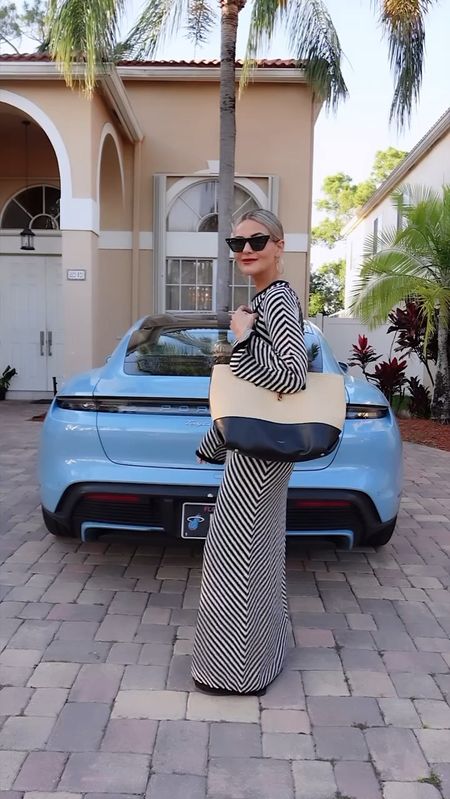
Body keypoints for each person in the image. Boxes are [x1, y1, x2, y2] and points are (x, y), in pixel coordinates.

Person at [191, 209, 309, 696]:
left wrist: (241, 339)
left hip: (259, 451)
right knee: (258, 552)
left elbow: (290, 376)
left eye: (256, 240)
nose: (245, 250)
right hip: (260, 447)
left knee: (233, 558)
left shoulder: (277, 300)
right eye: (236, 244)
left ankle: (235, 672)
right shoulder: (265, 299)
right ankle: (263, 655)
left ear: (279, 245)